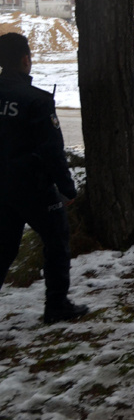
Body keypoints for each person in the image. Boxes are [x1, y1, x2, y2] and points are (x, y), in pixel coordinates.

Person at [0, 32, 89, 324]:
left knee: (4, 246)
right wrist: (66, 187)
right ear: (26, 60)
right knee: (56, 239)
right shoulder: (35, 100)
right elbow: (52, 149)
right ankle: (57, 304)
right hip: (33, 186)